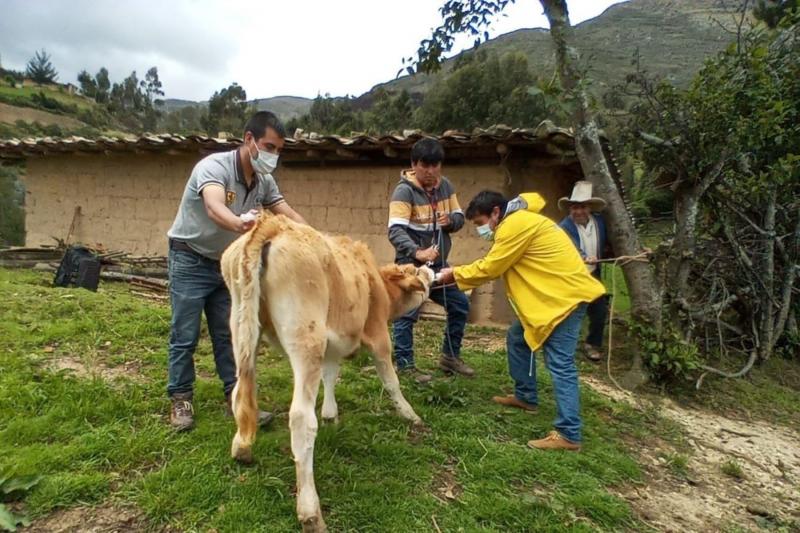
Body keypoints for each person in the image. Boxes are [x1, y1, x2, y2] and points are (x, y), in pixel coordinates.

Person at [165, 111, 307, 431]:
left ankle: (237, 397)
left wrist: (316, 239)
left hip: (227, 265)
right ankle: (181, 398)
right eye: (268, 147)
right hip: (190, 259)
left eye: (278, 150)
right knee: (185, 334)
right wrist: (238, 223)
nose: (273, 155)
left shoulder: (263, 181)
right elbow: (214, 206)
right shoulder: (214, 167)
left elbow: (287, 212)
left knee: (229, 333)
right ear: (249, 140)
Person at [437, 190, 605, 451]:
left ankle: (569, 433)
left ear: (495, 212)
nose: (482, 230)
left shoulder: (514, 225)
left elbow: (492, 267)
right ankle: (525, 396)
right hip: (552, 299)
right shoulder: (521, 218)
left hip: (563, 300)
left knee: (560, 363)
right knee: (518, 339)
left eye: (481, 223)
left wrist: (454, 274)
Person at [387, 137, 473, 383]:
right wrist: (418, 252)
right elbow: (395, 231)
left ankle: (450, 357)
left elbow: (459, 217)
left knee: (459, 305)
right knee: (407, 314)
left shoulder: (445, 186)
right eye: (425, 165)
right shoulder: (404, 191)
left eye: (436, 165)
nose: (431, 171)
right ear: (414, 164)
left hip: (439, 267)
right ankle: (405, 365)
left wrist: (451, 221)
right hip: (412, 267)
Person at [558, 181, 612, 362]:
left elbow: (610, 242)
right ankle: (563, 343)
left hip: (593, 273)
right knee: (570, 311)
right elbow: (570, 247)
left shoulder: (600, 222)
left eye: (582, 207)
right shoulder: (564, 227)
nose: (578, 211)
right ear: (570, 209)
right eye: (575, 207)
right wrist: (584, 257)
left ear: (589, 208)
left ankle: (592, 344)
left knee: (599, 310)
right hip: (573, 275)